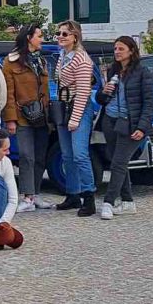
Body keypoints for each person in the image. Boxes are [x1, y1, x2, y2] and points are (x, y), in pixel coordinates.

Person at [94, 36, 153, 220]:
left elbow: (149, 103)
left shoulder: (143, 73)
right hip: (110, 120)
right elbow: (101, 99)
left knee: (118, 163)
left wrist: (143, 127)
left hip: (130, 122)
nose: (117, 52)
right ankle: (128, 202)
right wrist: (103, 93)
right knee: (118, 162)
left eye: (120, 49)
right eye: (115, 49)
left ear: (131, 50)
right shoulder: (113, 70)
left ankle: (108, 202)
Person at [3, 25, 54, 213]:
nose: (42, 39)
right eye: (39, 36)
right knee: (26, 156)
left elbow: (46, 90)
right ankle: (27, 196)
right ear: (29, 38)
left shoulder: (41, 60)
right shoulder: (11, 62)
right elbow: (8, 93)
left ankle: (36, 193)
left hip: (42, 116)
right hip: (22, 116)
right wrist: (10, 119)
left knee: (40, 156)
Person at [54, 20, 97, 217]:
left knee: (80, 154)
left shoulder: (82, 59)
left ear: (75, 37)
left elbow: (83, 92)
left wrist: (75, 118)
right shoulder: (62, 56)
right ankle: (73, 193)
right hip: (64, 105)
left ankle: (89, 196)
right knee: (67, 155)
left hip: (78, 107)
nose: (60, 37)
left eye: (65, 34)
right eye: (59, 33)